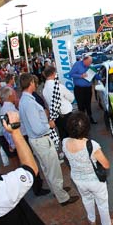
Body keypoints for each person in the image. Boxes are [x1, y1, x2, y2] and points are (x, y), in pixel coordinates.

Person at [19, 73, 79, 206]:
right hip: (41, 139)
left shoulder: (25, 100)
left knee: (48, 169)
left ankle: (57, 191)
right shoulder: (28, 102)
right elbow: (37, 128)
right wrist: (49, 124)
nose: (35, 84)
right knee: (53, 169)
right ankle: (63, 197)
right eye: (34, 82)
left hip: (37, 140)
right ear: (30, 84)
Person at [63, 112, 112, 225]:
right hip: (94, 181)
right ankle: (106, 224)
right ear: (86, 128)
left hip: (78, 180)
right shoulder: (91, 145)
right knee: (102, 204)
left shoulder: (64, 142)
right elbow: (106, 165)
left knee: (87, 200)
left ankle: (92, 221)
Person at [43, 66, 74, 140]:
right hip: (66, 114)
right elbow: (71, 97)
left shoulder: (44, 89)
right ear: (53, 74)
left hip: (56, 116)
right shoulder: (58, 86)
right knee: (72, 135)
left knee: (63, 136)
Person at [69, 55, 100, 124]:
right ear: (84, 60)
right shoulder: (77, 64)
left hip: (88, 89)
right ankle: (82, 121)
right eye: (89, 62)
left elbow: (96, 76)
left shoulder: (90, 67)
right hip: (79, 89)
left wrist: (101, 77)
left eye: (91, 62)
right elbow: (70, 74)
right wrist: (80, 76)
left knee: (88, 104)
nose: (90, 63)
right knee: (81, 106)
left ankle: (90, 118)